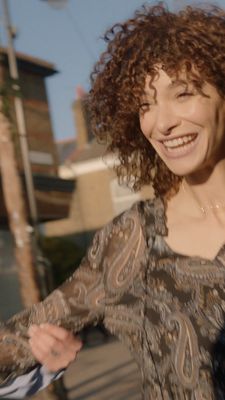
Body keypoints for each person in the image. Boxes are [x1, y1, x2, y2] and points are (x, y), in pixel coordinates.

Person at [1, 1, 225, 398]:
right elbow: (23, 339)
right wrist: (40, 351)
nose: (161, 122)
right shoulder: (130, 241)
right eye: (145, 104)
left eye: (183, 93)